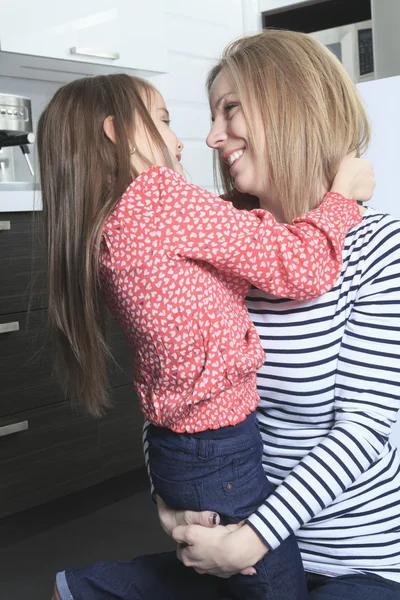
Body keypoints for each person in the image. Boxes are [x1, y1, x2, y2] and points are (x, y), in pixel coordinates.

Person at [48, 32, 378, 600]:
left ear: (290, 105)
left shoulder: (374, 247)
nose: (205, 138)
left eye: (230, 110)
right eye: (183, 118)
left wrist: (252, 539)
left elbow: (368, 429)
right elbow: (174, 377)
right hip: (234, 511)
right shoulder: (207, 234)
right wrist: (168, 504)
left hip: (344, 552)